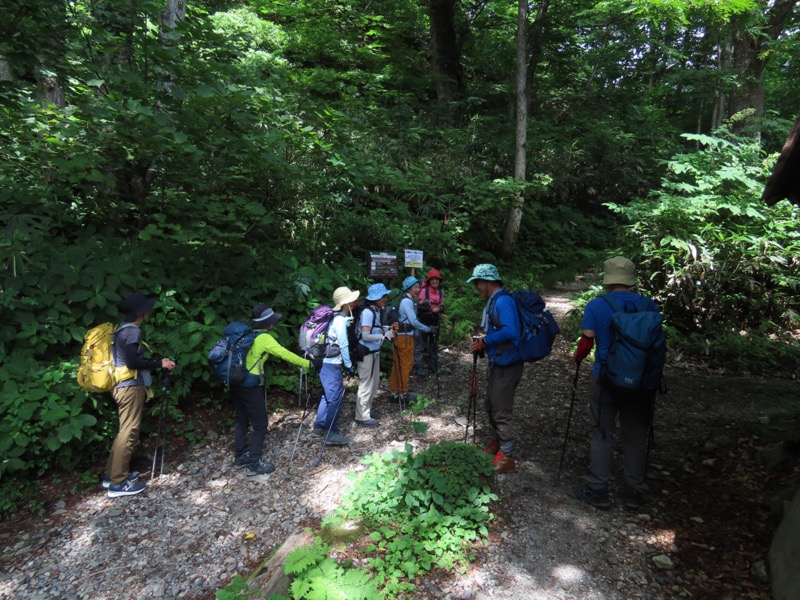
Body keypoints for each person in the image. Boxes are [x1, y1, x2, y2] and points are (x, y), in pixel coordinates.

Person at [573, 256, 660, 510]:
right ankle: (634, 492)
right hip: (641, 383)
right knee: (635, 434)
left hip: (605, 378)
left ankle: (598, 489)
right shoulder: (649, 305)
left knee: (602, 432)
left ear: (608, 278)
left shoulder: (597, 306)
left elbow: (586, 341)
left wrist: (578, 360)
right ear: (630, 279)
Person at [232, 304, 321, 476]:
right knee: (260, 424)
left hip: (236, 381)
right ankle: (253, 464)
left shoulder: (246, 335)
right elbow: (284, 354)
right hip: (251, 385)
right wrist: (309, 363)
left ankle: (240, 457)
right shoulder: (264, 338)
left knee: (242, 421)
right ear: (268, 323)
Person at [104, 293, 176, 498]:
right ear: (141, 313)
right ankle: (117, 484)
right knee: (129, 431)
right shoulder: (133, 333)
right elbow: (133, 363)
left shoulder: (120, 330)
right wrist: (159, 363)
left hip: (120, 386)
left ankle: (111, 475)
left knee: (124, 430)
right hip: (131, 387)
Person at [467, 264, 521, 474]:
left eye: (478, 283)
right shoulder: (495, 301)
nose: (476, 287)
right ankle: (497, 445)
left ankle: (507, 457)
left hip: (508, 365)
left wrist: (486, 341)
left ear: (489, 282)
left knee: (500, 411)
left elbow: (510, 331)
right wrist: (484, 342)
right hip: (499, 362)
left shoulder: (503, 301)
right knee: (490, 405)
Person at [313, 286, 360, 445]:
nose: (354, 302)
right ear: (346, 303)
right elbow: (344, 345)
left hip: (323, 363)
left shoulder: (333, 317)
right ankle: (330, 433)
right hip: (331, 364)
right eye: (352, 300)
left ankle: (319, 427)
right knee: (335, 399)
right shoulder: (339, 320)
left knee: (327, 396)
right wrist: (349, 366)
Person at [354, 283, 396, 428]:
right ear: (376, 298)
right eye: (383, 296)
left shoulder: (375, 310)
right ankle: (362, 416)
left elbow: (375, 328)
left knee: (374, 383)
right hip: (366, 352)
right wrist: (384, 335)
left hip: (374, 352)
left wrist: (386, 329)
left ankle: (367, 411)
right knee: (366, 383)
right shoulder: (368, 312)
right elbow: (365, 335)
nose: (386, 298)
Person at [390, 276, 432, 402]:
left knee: (397, 364)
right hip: (406, 337)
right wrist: (428, 329)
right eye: (415, 287)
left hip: (400, 336)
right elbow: (413, 321)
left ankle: (395, 392)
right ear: (408, 289)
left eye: (419, 287)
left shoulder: (405, 300)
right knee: (405, 365)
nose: (418, 290)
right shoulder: (407, 302)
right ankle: (403, 393)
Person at [415, 269, 445, 378]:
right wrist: (432, 309)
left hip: (435, 319)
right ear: (429, 280)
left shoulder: (440, 292)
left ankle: (434, 367)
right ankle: (419, 368)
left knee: (434, 344)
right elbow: (420, 305)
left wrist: (439, 309)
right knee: (421, 344)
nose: (435, 281)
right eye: (433, 279)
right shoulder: (424, 291)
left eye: (436, 279)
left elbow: (442, 305)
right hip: (425, 319)